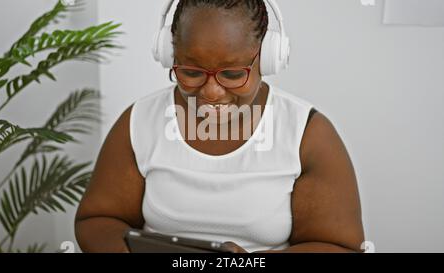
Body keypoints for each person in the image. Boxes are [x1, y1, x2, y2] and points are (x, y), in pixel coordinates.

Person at [75, 0, 364, 253]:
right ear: (169, 55)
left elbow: (340, 246)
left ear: (268, 59)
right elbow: (97, 221)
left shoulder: (307, 134)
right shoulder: (139, 122)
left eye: (233, 73)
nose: (211, 92)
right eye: (190, 72)